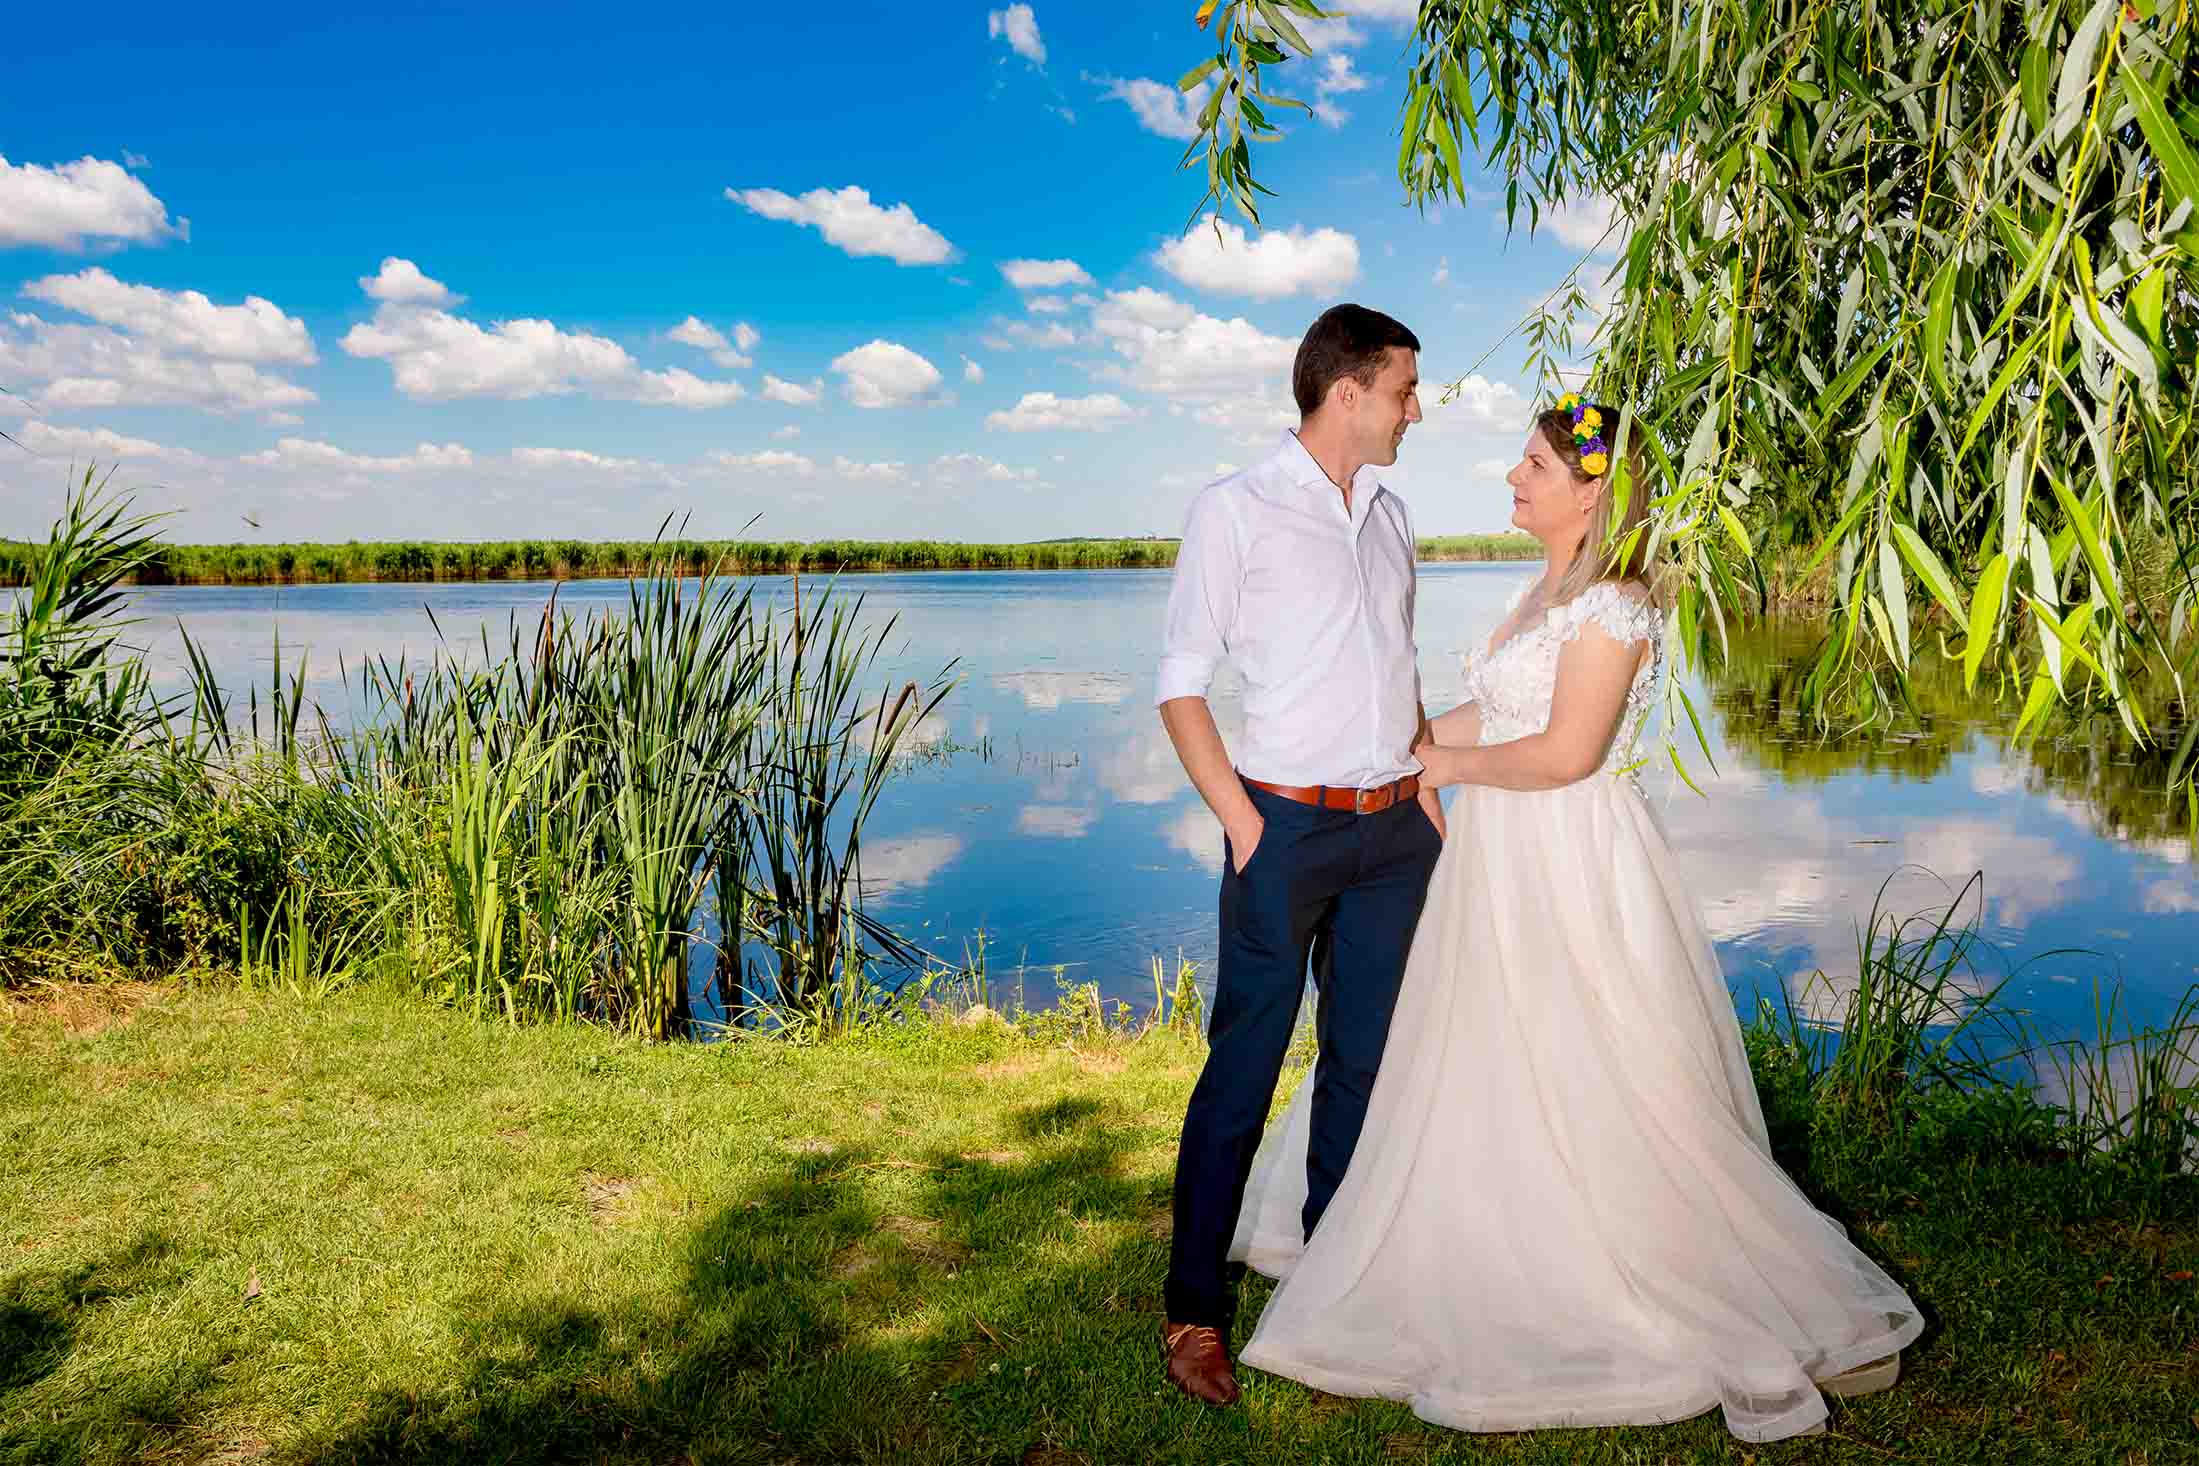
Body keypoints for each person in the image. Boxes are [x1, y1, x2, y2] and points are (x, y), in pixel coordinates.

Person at [1224, 395, 1924, 1443]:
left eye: (1534, 465)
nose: (1512, 476)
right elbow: (1498, 717)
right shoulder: (1546, 588)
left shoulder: (1617, 607)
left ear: (1592, 492)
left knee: (1585, 1052)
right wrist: (1392, 745)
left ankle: (1613, 1259)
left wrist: (1447, 766)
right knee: (1491, 1049)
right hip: (1503, 852)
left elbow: (1566, 751)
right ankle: (1490, 1217)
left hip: (1565, 850)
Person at [1153, 303, 1447, 1406]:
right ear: (1347, 392)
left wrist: (1421, 782)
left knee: (1363, 1063)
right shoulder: (1234, 510)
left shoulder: (1394, 512)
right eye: (1406, 389)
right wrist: (1242, 822)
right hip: (1281, 827)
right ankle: (1193, 1310)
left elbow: (1398, 659)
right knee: (1244, 1063)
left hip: (1390, 834)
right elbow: (1181, 684)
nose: (1417, 409)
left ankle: (1332, 1285)